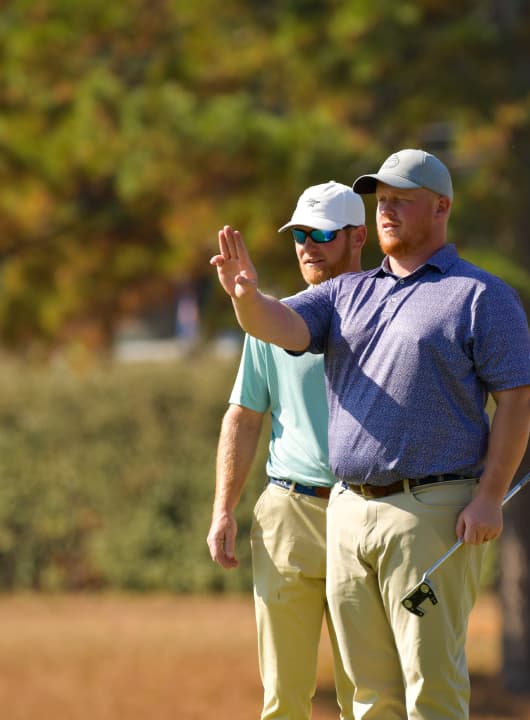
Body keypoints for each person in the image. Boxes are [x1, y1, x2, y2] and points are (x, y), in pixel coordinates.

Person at [211, 149, 530, 720]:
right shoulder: (347, 294)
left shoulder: (481, 295)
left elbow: (517, 399)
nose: (386, 211)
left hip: (433, 511)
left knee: (429, 690)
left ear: (440, 208)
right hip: (350, 512)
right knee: (367, 697)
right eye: (381, 200)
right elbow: (279, 325)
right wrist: (245, 299)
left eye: (400, 201)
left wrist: (489, 495)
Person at [207, 180, 367, 720]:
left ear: (358, 238)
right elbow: (245, 415)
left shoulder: (389, 317)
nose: (307, 245)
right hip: (289, 514)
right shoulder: (270, 320)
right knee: (283, 699)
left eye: (322, 233)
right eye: (299, 234)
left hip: (366, 512)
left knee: (366, 696)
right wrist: (223, 507)